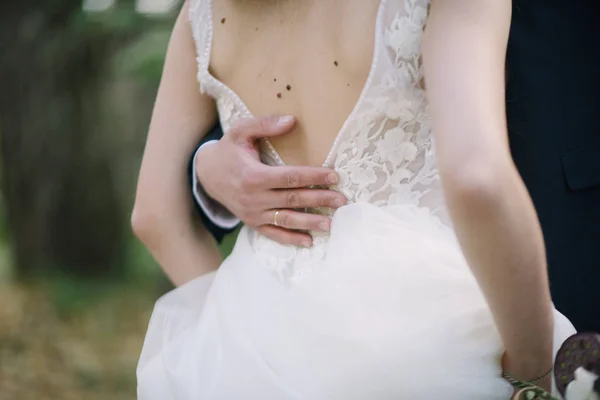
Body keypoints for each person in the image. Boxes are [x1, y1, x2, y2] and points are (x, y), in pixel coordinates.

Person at [132, 0, 576, 398]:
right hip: (425, 335)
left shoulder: (201, 14)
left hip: (253, 351)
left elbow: (153, 216)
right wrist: (536, 368)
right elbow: (476, 178)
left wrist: (227, 322)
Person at [191, 0, 600, 333]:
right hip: (453, 316)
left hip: (266, 327)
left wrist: (221, 333)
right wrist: (206, 163)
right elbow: (476, 176)